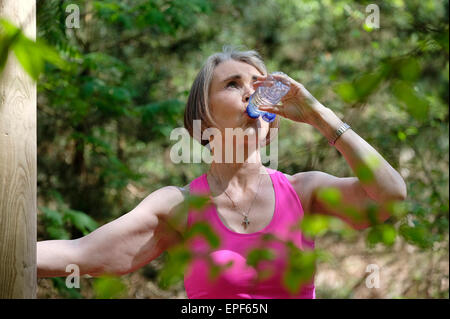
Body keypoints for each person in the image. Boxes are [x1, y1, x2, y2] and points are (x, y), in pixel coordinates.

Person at [37, 47, 407, 299]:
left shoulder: (304, 191)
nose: (253, 95)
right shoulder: (178, 205)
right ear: (203, 113)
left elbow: (389, 195)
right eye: (233, 84)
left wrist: (317, 114)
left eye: (261, 87)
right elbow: (82, 254)